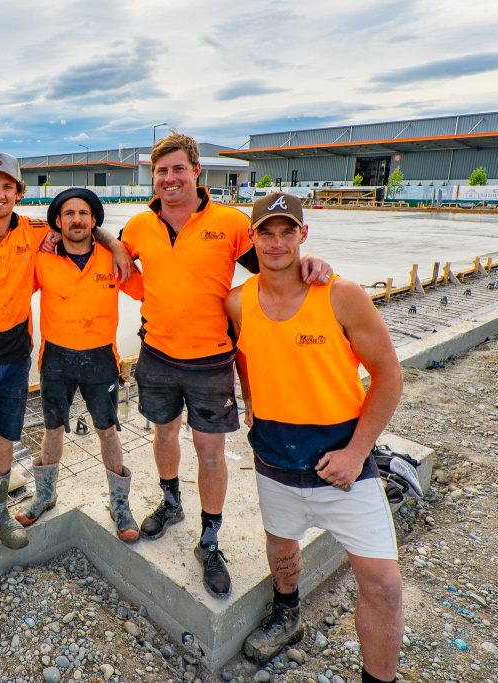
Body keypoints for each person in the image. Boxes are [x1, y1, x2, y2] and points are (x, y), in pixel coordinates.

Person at [120, 133, 332, 598]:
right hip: (156, 353)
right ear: (152, 178)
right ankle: (171, 501)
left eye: (178, 169)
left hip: (211, 359)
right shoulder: (138, 226)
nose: (170, 179)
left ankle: (210, 537)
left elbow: (274, 264)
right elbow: (120, 260)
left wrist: (311, 263)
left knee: (210, 450)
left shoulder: (229, 223)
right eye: (161, 172)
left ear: (197, 171)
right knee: (163, 433)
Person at [226, 192, 404, 683]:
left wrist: (356, 452)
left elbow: (389, 376)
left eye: (288, 231)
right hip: (274, 456)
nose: (277, 241)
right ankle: (287, 613)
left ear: (304, 235)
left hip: (342, 461)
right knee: (282, 545)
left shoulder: (341, 294)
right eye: (267, 232)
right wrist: (250, 403)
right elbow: (246, 357)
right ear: (253, 238)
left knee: (384, 585)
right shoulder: (238, 302)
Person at [0, 157, 132, 564]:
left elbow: (82, 227)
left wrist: (114, 243)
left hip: (24, 356)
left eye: (7, 187)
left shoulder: (34, 233)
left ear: (19, 194)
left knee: (9, 436)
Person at [15, 188, 144, 542]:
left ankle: (120, 504)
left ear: (94, 221)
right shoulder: (42, 258)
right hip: (56, 357)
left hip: (100, 357)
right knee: (53, 428)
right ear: (57, 221)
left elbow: (149, 291)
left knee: (107, 429)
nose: (76, 220)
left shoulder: (112, 259)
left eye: (83, 213)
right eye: (68, 213)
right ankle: (45, 495)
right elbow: (10, 285)